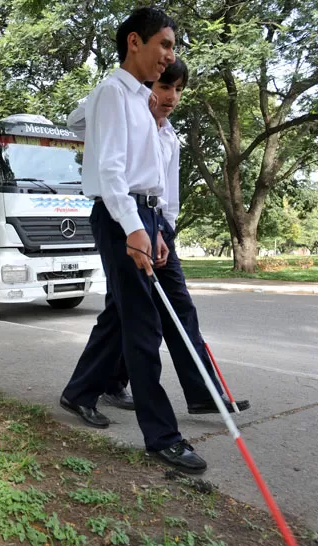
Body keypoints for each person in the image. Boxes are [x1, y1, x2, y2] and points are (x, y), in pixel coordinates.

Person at [57, 7, 208, 474]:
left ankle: (80, 391)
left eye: (173, 47)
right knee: (142, 327)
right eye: (164, 44)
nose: (170, 56)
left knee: (129, 318)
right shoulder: (111, 94)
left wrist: (157, 226)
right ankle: (162, 436)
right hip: (120, 215)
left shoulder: (143, 101)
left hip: (143, 215)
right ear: (134, 42)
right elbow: (111, 171)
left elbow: (150, 178)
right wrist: (134, 226)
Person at [75, 59, 252, 416]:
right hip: (123, 217)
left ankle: (201, 392)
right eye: (163, 87)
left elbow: (168, 192)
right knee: (135, 315)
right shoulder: (120, 104)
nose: (171, 97)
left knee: (167, 309)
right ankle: (90, 392)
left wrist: (165, 231)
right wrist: (133, 98)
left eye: (178, 89)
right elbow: (78, 122)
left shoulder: (169, 135)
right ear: (147, 87)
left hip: (156, 223)